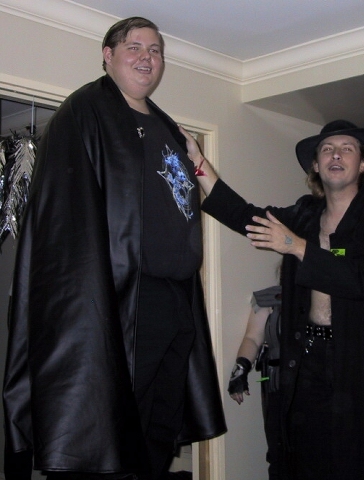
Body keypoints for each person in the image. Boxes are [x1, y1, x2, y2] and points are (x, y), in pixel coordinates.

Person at [2, 17, 226, 480]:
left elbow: (197, 194)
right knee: (114, 426)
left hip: (177, 298)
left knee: (160, 421)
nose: (147, 57)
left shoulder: (166, 127)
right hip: (123, 299)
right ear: (108, 55)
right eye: (134, 47)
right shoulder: (84, 113)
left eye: (156, 50)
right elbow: (65, 224)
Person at [180, 120, 364, 479]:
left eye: (347, 148)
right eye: (327, 149)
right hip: (310, 356)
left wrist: (295, 246)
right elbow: (244, 215)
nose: (335, 155)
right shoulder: (304, 215)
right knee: (305, 456)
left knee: (363, 459)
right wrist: (198, 163)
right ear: (316, 165)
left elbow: (362, 279)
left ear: (363, 164)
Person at [228, 284, 282, 479]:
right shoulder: (271, 298)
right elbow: (252, 337)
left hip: (320, 384)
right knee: (279, 455)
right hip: (278, 386)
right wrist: (240, 371)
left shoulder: (333, 294)